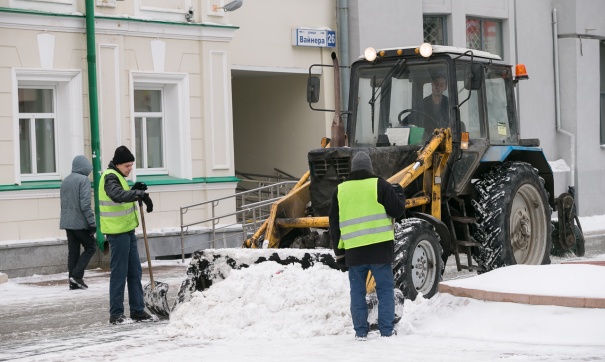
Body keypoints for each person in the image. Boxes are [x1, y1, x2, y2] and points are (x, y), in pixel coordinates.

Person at [328, 151, 406, 340]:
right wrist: (400, 194)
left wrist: (340, 255)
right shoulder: (380, 185)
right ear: (370, 168)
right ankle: (386, 331)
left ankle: (360, 332)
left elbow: (333, 223)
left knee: (357, 292)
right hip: (379, 251)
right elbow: (398, 210)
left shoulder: (341, 190)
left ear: (352, 169)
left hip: (355, 253)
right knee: (385, 290)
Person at [99, 145, 156, 325]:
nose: (130, 168)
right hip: (117, 233)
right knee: (119, 273)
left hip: (128, 231)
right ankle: (116, 314)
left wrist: (134, 189)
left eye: (131, 165)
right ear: (117, 164)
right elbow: (116, 195)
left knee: (134, 272)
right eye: (127, 166)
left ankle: (137, 311)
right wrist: (137, 193)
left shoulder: (119, 177)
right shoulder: (110, 177)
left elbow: (123, 192)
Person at [60, 155, 97, 290]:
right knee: (91, 246)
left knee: (73, 251)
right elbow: (85, 205)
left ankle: (72, 281)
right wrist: (92, 222)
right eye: (89, 169)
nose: (89, 172)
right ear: (84, 168)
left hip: (67, 221)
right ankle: (77, 276)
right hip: (79, 222)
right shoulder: (83, 180)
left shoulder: (66, 180)